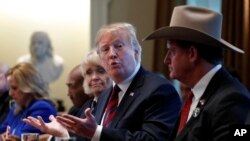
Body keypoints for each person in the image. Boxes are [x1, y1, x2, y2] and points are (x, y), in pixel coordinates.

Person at [144, 5, 250, 141]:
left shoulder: (231, 99)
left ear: (192, 54)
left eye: (172, 51)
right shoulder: (195, 96)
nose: (166, 60)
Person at [23, 50, 112, 141]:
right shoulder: (87, 106)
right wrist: (62, 133)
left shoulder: (114, 104)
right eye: (88, 73)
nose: (94, 77)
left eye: (101, 71)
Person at [0, 63, 57, 141]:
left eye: (14, 88)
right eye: (10, 88)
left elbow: (24, 138)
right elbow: (2, 131)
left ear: (28, 86)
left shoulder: (42, 107)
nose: (10, 93)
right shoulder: (15, 107)